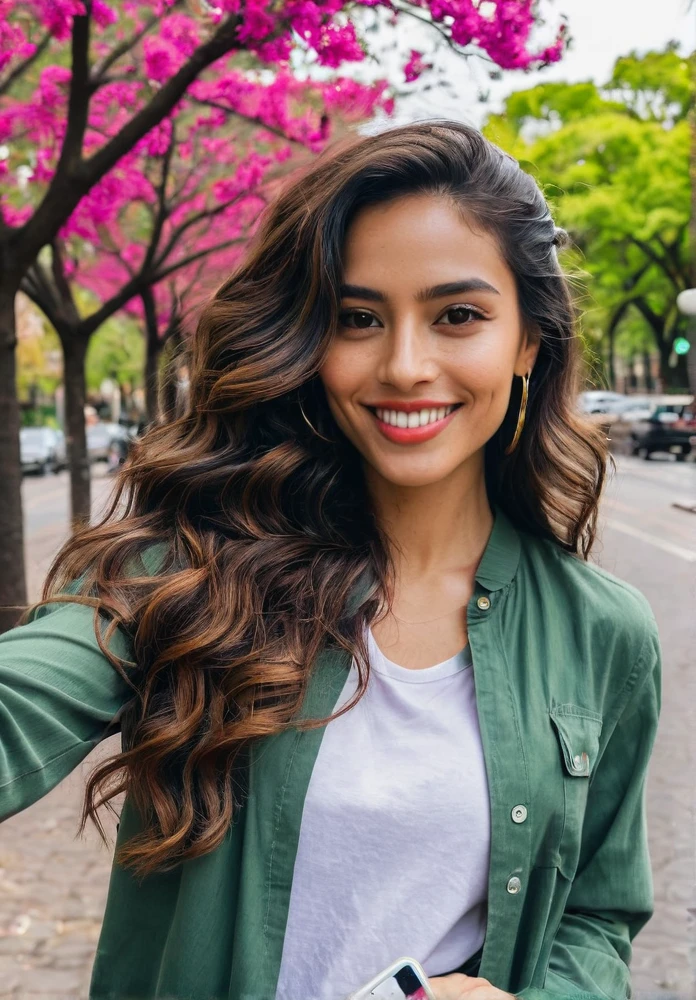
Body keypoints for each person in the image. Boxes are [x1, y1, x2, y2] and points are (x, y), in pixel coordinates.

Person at [0, 120, 662, 1000]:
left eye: (458, 315)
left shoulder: (604, 633)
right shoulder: (185, 570)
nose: (404, 364)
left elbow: (595, 915)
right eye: (357, 319)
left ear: (529, 342)